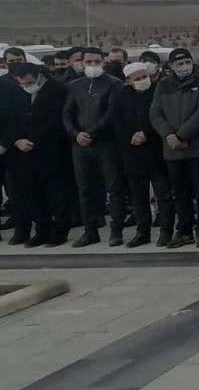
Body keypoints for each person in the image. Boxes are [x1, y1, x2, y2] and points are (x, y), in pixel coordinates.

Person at [150, 48, 199, 248]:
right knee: (180, 192)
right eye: (179, 63)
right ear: (171, 66)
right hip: (173, 149)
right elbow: (155, 114)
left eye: (187, 61)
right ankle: (184, 231)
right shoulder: (163, 86)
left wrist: (181, 135)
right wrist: (170, 136)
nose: (184, 66)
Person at [2, 63, 73, 247]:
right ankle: (42, 230)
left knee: (57, 196)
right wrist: (17, 140)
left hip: (52, 151)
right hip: (25, 152)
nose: (26, 86)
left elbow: (58, 119)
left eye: (30, 82)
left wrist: (34, 140)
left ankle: (60, 232)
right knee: (34, 195)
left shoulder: (57, 89)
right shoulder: (19, 92)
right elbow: (12, 120)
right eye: (22, 83)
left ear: (38, 76)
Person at [62, 47, 126, 247]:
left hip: (106, 143)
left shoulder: (114, 84)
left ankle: (116, 230)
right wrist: (75, 133)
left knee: (114, 188)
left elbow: (111, 112)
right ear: (81, 62)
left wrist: (92, 132)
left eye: (96, 61)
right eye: (88, 62)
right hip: (80, 146)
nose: (92, 65)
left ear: (103, 61)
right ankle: (90, 231)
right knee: (84, 190)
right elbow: (67, 113)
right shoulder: (74, 85)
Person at [112, 62, 174, 247]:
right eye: (137, 79)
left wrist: (147, 134)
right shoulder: (121, 95)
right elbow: (116, 121)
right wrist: (130, 137)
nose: (142, 81)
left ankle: (166, 231)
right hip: (132, 152)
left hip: (156, 150)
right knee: (139, 197)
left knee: (162, 194)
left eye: (144, 77)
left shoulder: (158, 91)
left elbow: (164, 117)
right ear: (128, 81)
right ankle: (142, 232)